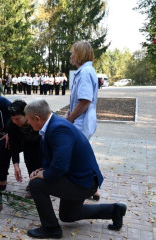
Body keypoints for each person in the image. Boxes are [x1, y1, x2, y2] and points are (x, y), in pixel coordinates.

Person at [24, 99, 127, 239]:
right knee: (68, 216)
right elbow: (57, 156)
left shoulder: (58, 128)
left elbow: (60, 165)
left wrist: (45, 175)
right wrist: (43, 169)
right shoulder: (52, 124)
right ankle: (114, 210)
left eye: (29, 120)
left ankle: (51, 228)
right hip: (76, 178)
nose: (28, 123)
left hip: (82, 183)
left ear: (37, 118)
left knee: (36, 184)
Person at [66, 40, 100, 200]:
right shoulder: (85, 71)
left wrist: (70, 119)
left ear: (79, 54)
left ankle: (91, 185)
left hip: (81, 122)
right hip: (82, 120)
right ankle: (93, 187)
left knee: (79, 154)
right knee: (83, 152)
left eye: (73, 52)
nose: (71, 55)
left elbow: (85, 100)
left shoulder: (85, 73)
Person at [7, 100, 42, 197]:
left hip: (41, 141)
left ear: (26, 114)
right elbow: (13, 146)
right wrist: (16, 165)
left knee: (40, 161)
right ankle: (33, 184)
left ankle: (42, 184)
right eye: (13, 118)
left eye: (17, 118)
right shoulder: (11, 125)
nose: (15, 121)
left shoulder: (36, 119)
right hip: (26, 143)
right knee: (29, 161)